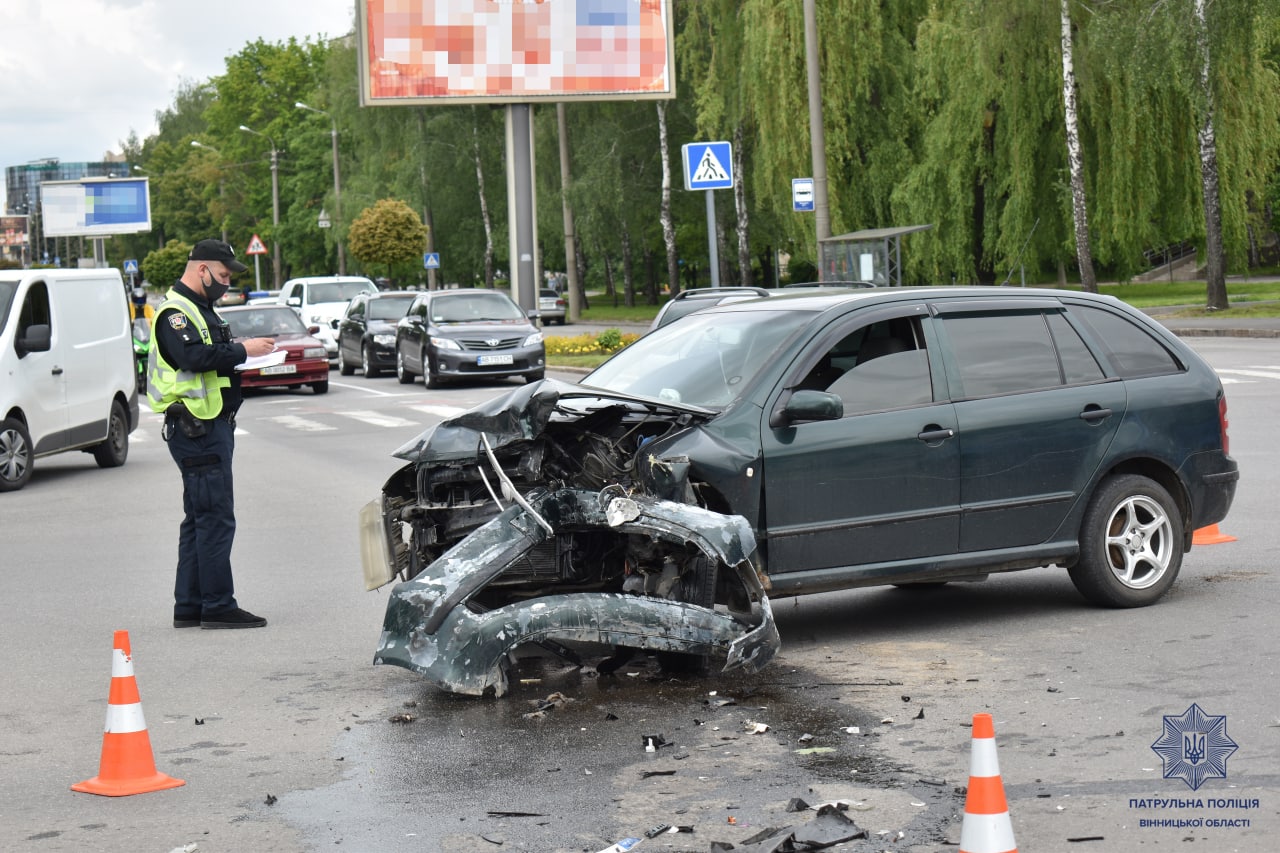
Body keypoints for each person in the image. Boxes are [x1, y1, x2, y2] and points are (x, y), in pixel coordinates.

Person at [147, 239, 277, 629]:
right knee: (216, 518)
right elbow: (193, 358)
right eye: (222, 275)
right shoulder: (176, 313)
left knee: (198, 518)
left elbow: (208, 360)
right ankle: (218, 606)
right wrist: (244, 350)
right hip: (197, 427)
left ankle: (189, 606)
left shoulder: (201, 309)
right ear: (202, 269)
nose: (225, 283)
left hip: (206, 424)